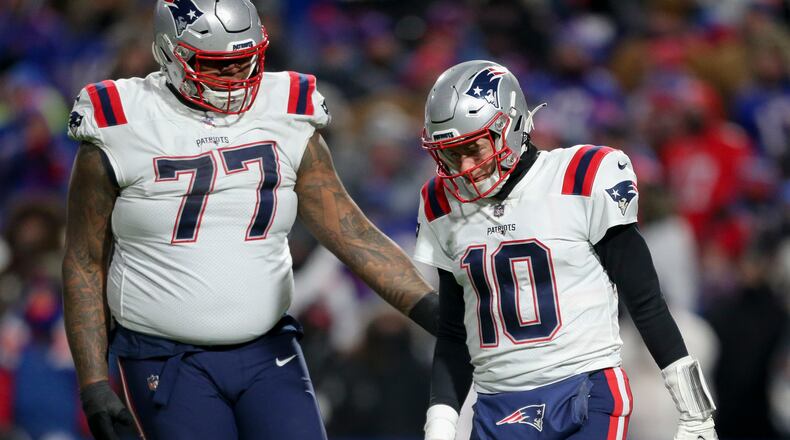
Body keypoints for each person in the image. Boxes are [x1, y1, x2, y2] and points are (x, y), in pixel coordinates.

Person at [62, 1, 439, 439]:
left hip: (269, 350)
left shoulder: (285, 109)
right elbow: (85, 260)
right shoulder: (120, 119)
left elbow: (348, 230)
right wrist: (92, 382)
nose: (238, 78)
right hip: (165, 359)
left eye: (246, 61)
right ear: (170, 55)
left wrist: (432, 311)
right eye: (218, 65)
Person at [414, 60, 718, 440]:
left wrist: (694, 410)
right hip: (495, 405)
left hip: (584, 392)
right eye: (450, 154)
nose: (464, 167)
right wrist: (439, 427)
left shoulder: (582, 177)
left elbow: (645, 301)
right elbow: (453, 332)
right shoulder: (439, 204)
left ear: (508, 127)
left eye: (472, 148)